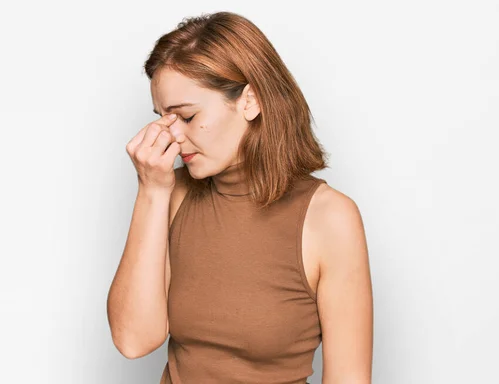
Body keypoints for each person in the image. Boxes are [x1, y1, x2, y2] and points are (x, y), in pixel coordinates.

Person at [107, 11, 373, 384]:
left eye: (186, 116)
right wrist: (151, 190)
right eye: (164, 119)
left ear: (250, 101)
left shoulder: (329, 218)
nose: (173, 137)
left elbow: (350, 378)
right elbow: (134, 340)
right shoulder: (172, 193)